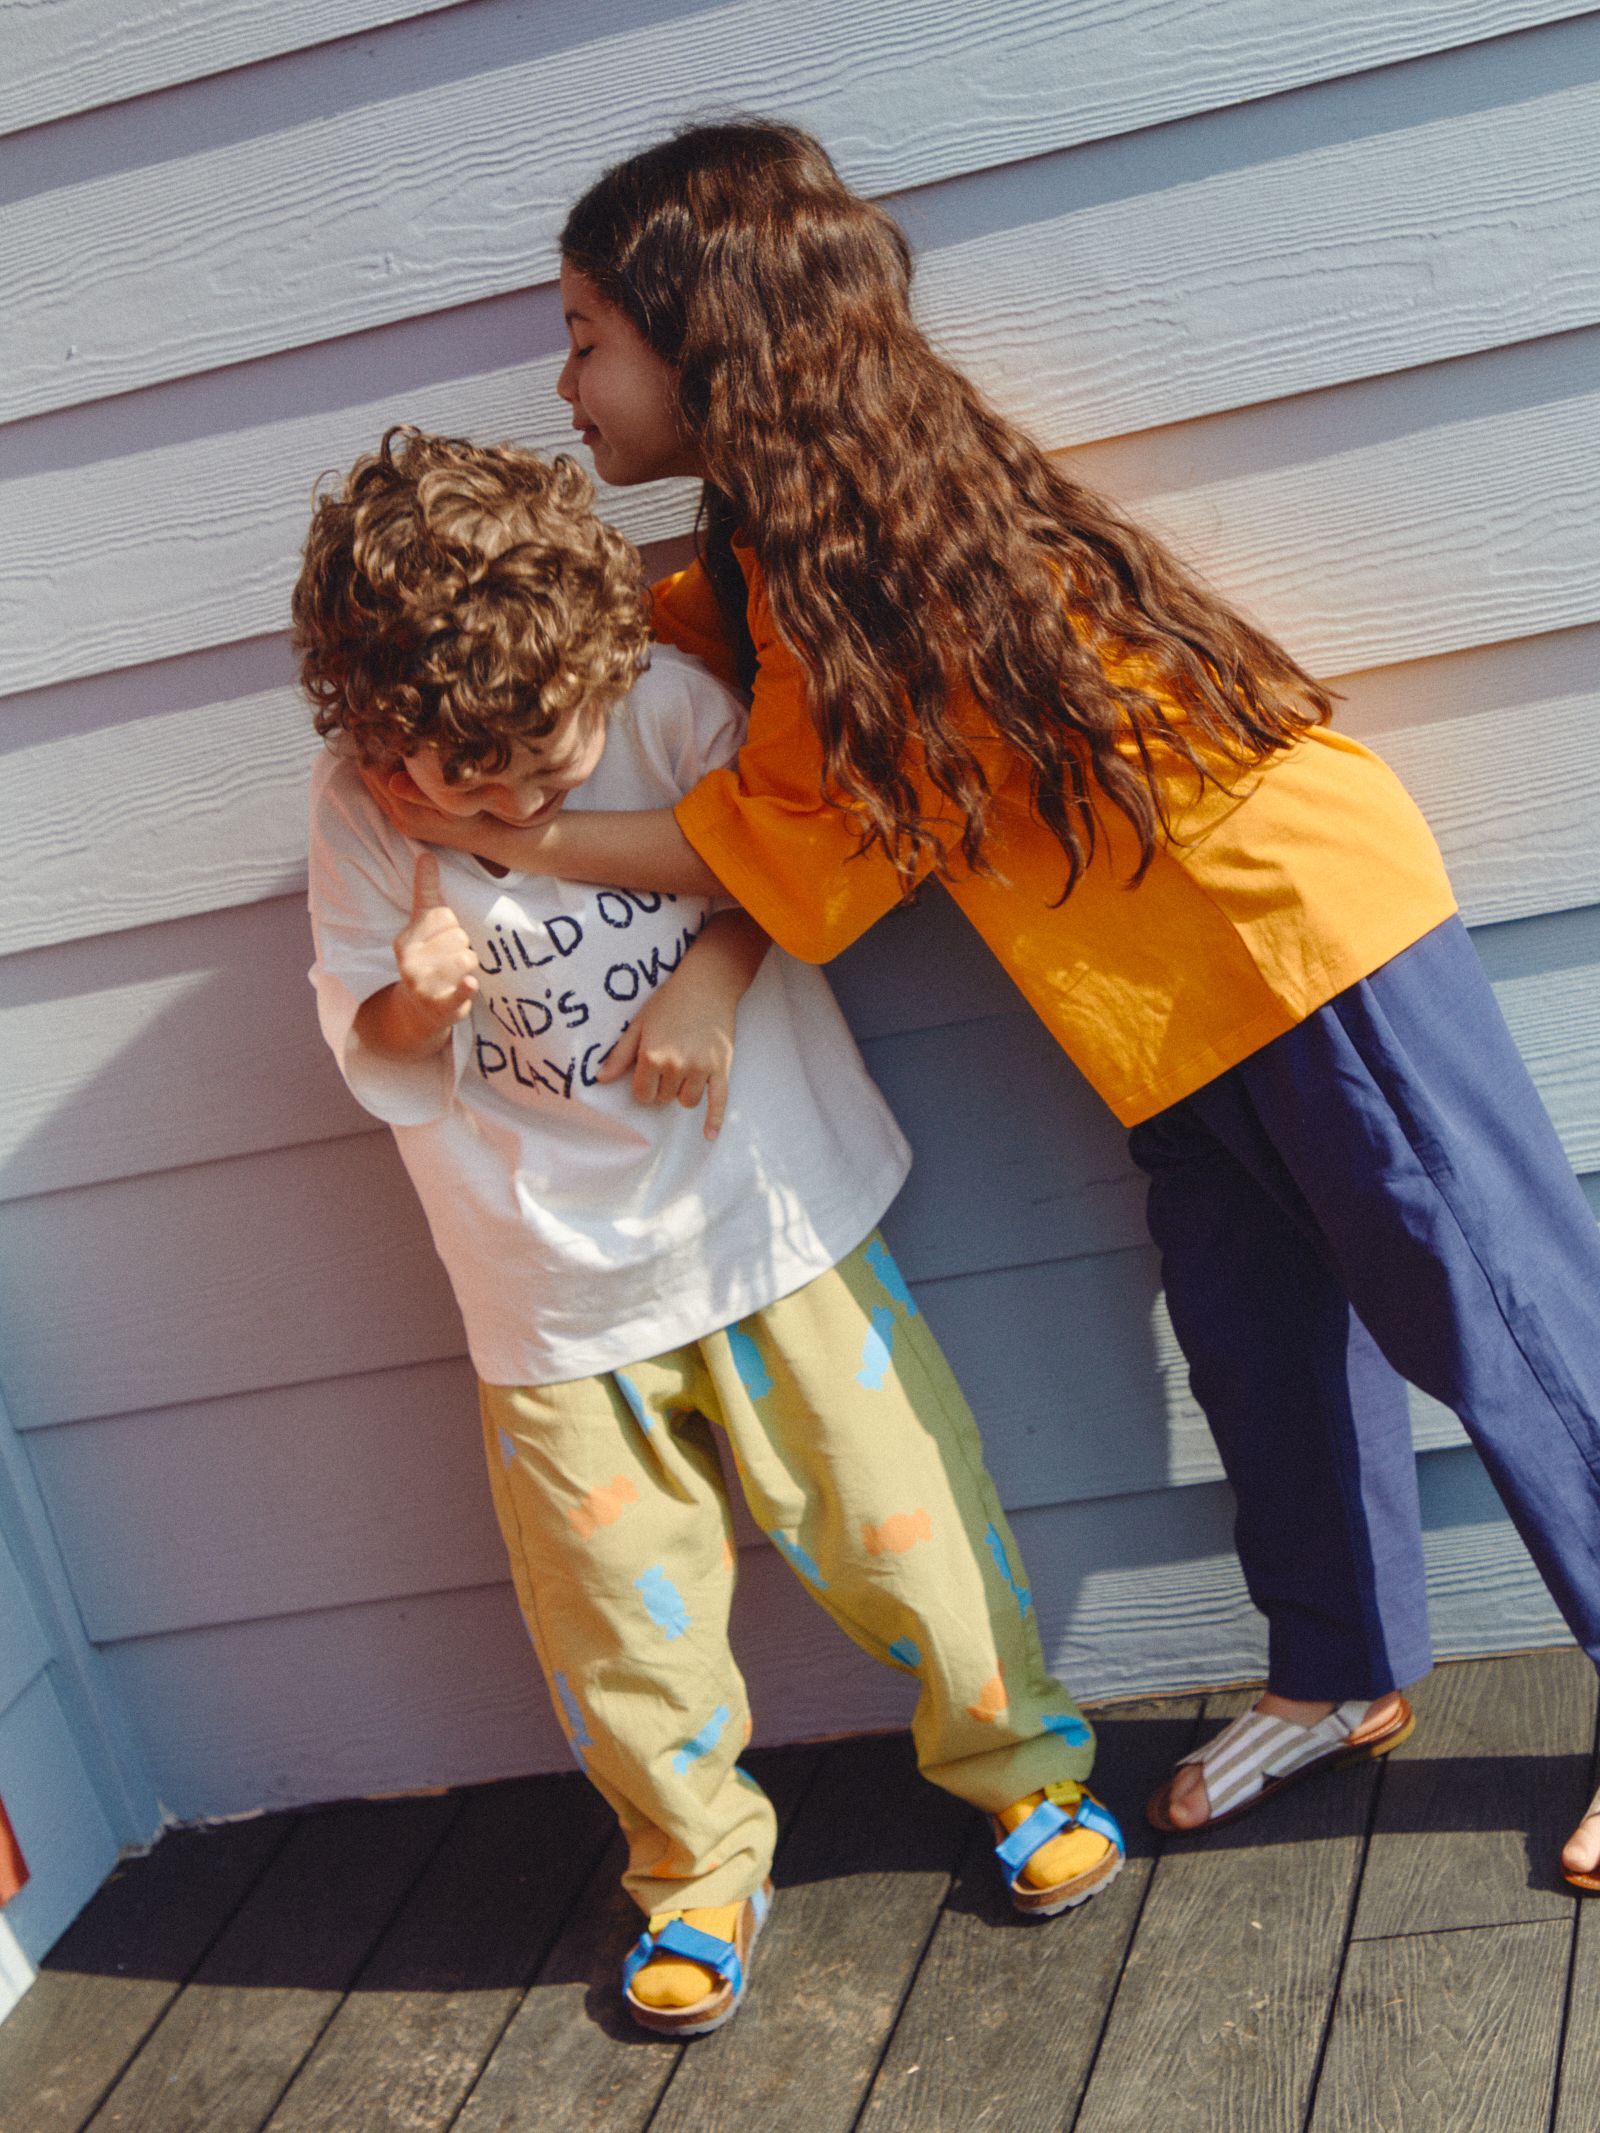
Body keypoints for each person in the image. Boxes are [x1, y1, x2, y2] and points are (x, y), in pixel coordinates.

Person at [361, 122, 1600, 1893]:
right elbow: (692, 636)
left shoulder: (861, 543)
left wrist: (505, 826)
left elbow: (791, 853)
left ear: (705, 336)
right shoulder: (781, 531)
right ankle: (1340, 1667)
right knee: (1259, 1338)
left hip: (1294, 937)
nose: (565, 385)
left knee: (1497, 1313)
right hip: (1153, 999)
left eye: (583, 338)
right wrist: (491, 621)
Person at [293, 427, 1126, 2038]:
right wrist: (417, 997)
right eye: (471, 788)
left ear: (597, 665)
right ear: (379, 734)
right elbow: (373, 1052)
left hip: (767, 1215)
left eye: (549, 763)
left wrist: (713, 979)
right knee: (617, 1612)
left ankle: (1020, 1762)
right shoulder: (359, 815)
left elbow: (790, 863)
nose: (518, 804)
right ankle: (692, 1869)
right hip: (547, 1285)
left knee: (905, 1515)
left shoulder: (671, 709)